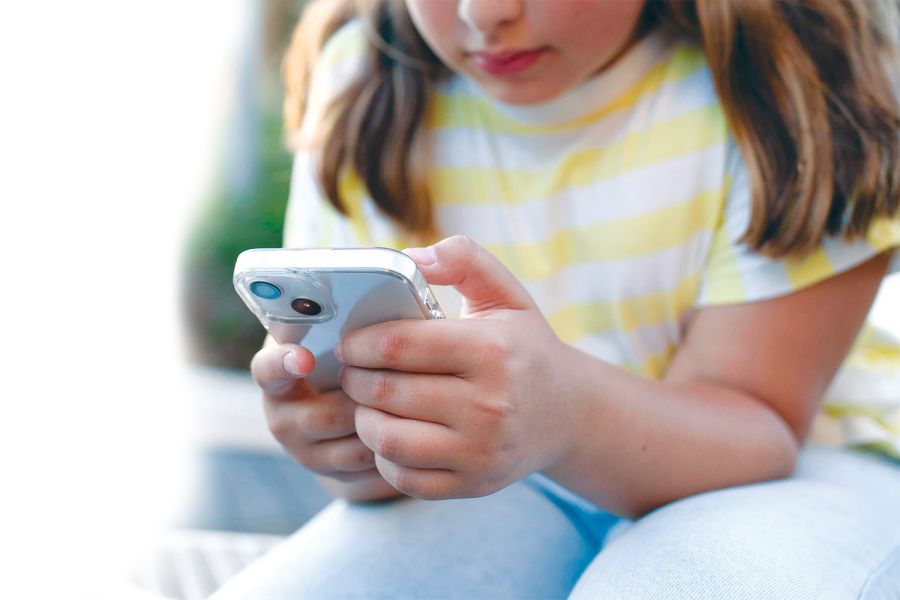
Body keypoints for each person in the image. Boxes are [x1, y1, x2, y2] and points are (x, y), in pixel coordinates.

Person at [213, 0, 900, 597]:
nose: (486, 14)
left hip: (802, 464)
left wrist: (567, 415)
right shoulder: (365, 83)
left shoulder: (782, 79)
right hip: (519, 485)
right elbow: (380, 473)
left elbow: (765, 427)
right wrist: (356, 445)